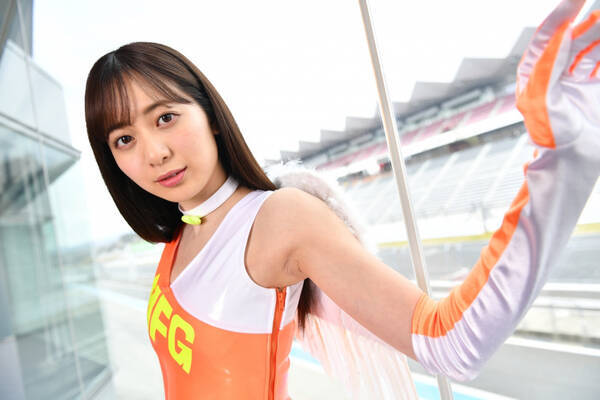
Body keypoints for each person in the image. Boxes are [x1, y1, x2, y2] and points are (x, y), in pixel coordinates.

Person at [84, 0, 599, 398]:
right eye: (124, 139)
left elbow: (451, 342)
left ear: (211, 116)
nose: (154, 153)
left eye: (166, 117)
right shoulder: (179, 235)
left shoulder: (280, 219)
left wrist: (565, 161)